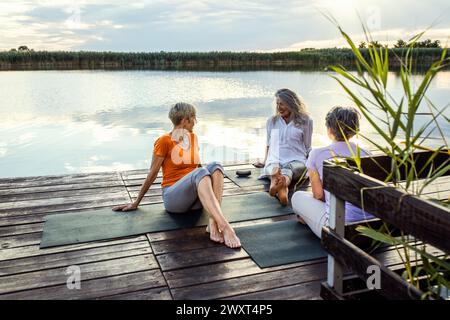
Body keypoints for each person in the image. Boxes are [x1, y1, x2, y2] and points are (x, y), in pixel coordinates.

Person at [113, 102, 241, 248]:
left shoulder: (193, 138)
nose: (196, 121)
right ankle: (225, 227)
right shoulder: (164, 141)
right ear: (184, 121)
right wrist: (136, 202)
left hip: (195, 200)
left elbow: (197, 167)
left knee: (216, 166)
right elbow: (152, 173)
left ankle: (212, 222)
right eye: (193, 118)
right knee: (200, 172)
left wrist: (209, 178)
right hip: (174, 199)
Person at [291, 106, 374, 238]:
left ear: (329, 130)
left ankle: (309, 220)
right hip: (372, 229)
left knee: (297, 197)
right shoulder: (367, 154)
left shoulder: (317, 154)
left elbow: (318, 196)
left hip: (340, 230)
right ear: (355, 130)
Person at [254, 88, 313, 205]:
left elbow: (308, 146)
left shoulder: (306, 121)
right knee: (274, 167)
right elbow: (268, 144)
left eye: (282, 104)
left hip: (297, 161)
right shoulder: (272, 121)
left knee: (288, 168)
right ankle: (282, 190)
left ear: (291, 103)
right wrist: (265, 161)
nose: (279, 107)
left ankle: (277, 185)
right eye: (277, 104)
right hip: (275, 160)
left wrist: (312, 164)